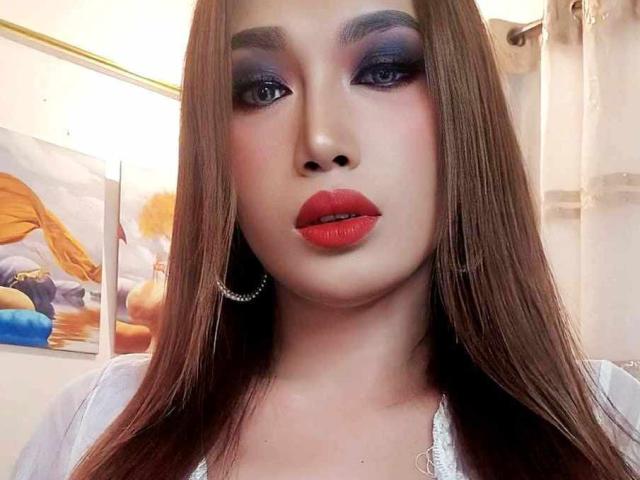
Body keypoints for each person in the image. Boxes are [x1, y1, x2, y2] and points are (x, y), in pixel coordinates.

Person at [11, 0, 640, 479]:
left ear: (464, 103)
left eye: (384, 71)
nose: (320, 140)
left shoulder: (611, 423)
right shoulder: (93, 424)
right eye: (263, 90)